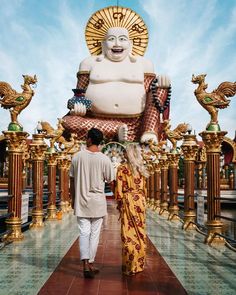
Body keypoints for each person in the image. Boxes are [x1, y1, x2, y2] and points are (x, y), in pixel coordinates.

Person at [63, 6, 171, 143]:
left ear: (130, 44)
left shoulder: (143, 64)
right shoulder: (89, 63)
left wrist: (161, 82)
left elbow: (152, 96)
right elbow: (79, 95)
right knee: (67, 122)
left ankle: (149, 131)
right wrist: (77, 107)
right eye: (111, 39)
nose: (117, 43)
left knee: (160, 88)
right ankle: (116, 129)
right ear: (103, 44)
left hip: (136, 124)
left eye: (122, 39)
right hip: (96, 121)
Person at [70, 128, 115, 278]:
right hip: (98, 202)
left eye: (86, 137)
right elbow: (111, 181)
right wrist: (119, 198)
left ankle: (85, 264)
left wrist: (72, 199)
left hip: (81, 200)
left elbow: (72, 180)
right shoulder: (104, 159)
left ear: (89, 139)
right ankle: (90, 263)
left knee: (84, 232)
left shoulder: (77, 157)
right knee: (94, 234)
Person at [114, 143, 149, 275]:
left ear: (128, 154)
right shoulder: (141, 169)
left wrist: (119, 203)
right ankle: (139, 264)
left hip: (128, 201)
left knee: (128, 233)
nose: (123, 154)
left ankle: (130, 265)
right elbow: (145, 190)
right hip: (140, 200)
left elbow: (119, 190)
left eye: (124, 152)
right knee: (140, 231)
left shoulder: (122, 169)